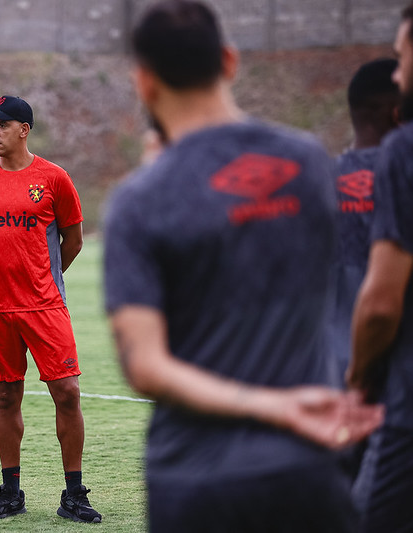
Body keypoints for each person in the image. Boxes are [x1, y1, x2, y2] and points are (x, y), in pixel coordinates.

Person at [104, 2, 384, 532]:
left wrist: (270, 406)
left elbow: (145, 367)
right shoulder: (306, 162)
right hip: (307, 465)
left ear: (144, 82)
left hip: (193, 478)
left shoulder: (138, 201)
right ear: (230, 61)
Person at [0, 95, 101, 523]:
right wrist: (0, 274)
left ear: (24, 129)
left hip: (44, 304)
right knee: (6, 396)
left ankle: (74, 494)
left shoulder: (54, 178)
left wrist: (42, 275)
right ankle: (10, 492)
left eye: (1, 125)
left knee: (68, 392)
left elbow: (73, 240)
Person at [348, 5, 413, 531]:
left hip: (390, 391)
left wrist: (357, 375)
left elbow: (381, 302)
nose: (399, 70)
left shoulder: (402, 153)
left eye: (403, 54)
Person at [328, 58, 399, 381]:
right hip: (396, 378)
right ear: (395, 111)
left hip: (330, 379)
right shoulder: (403, 182)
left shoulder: (315, 184)